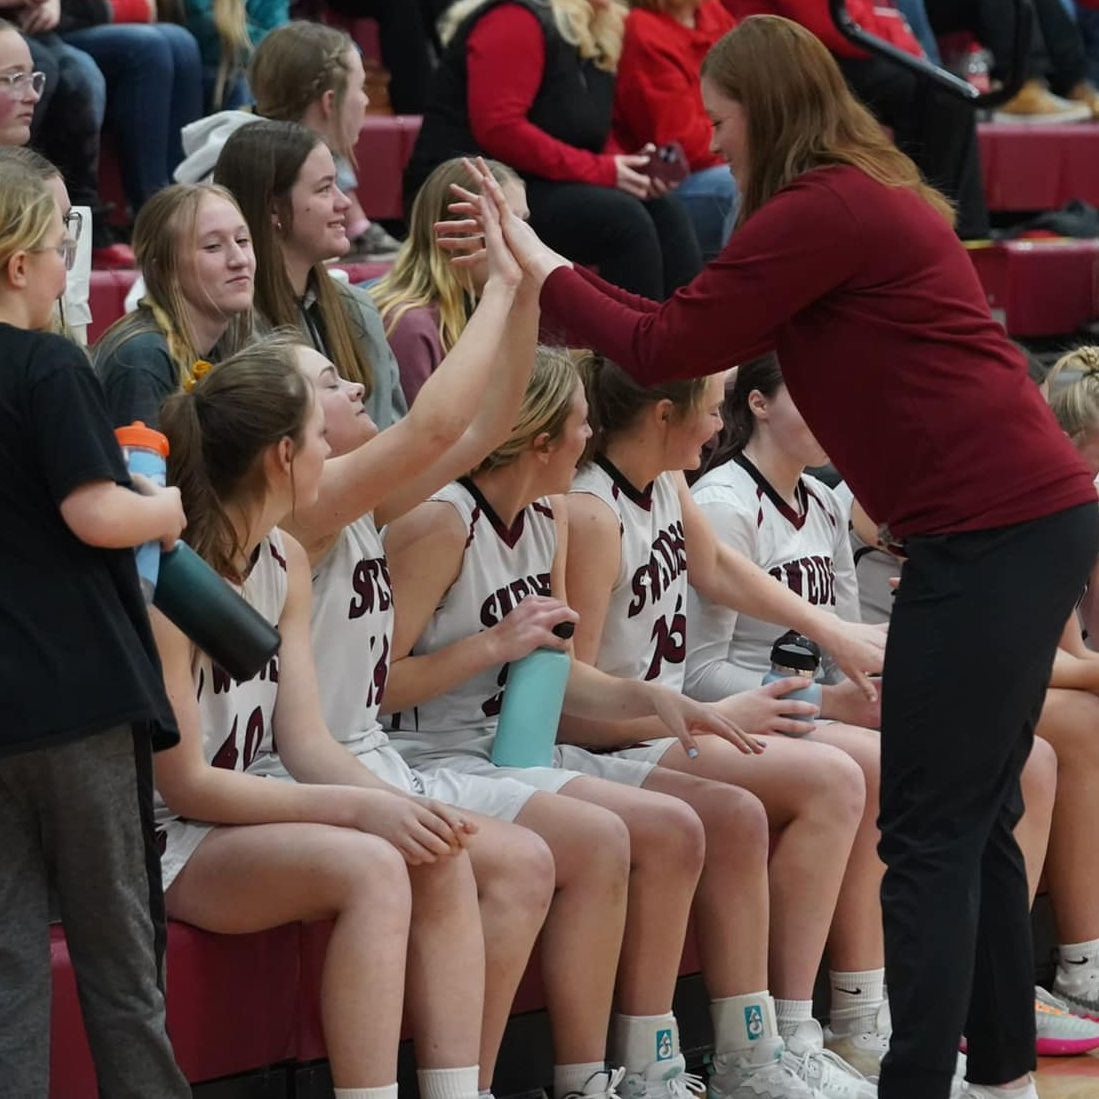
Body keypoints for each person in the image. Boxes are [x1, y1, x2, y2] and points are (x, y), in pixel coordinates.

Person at [439, 18, 1099, 1099]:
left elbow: (662, 348)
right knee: (969, 819)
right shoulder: (856, 193)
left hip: (991, 530)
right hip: (1009, 521)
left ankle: (927, 1081)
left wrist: (537, 255)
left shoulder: (818, 209)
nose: (712, 130)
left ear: (769, 109)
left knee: (928, 830)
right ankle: (999, 1082)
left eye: (725, 111)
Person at [382, 347, 867, 1099]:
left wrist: (662, 703)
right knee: (629, 831)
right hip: (429, 753)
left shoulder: (549, 512)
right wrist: (495, 647)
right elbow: (375, 688)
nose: (591, 434)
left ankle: (658, 1068)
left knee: (705, 821)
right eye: (580, 424)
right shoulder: (451, 523)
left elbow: (556, 668)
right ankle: (582, 1077)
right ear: (544, 440)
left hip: (509, 740)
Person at [687, 354, 1089, 1065]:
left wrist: (873, 678)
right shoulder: (721, 503)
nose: (833, 409)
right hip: (749, 713)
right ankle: (856, 1015)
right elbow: (701, 673)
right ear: (757, 403)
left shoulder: (821, 498)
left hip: (819, 707)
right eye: (811, 393)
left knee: (1024, 759)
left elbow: (848, 639)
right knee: (887, 766)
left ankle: (981, 986)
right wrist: (826, 700)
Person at [268, 176, 560, 1092]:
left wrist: (520, 298)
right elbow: (437, 419)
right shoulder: (307, 504)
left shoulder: (363, 497)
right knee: (474, 860)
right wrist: (508, 284)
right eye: (330, 382)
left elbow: (481, 426)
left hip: (360, 756)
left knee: (517, 864)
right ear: (291, 430)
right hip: (302, 765)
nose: (355, 381)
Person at [153, 334, 485, 1099]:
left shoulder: (284, 558)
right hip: (165, 835)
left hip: (240, 816)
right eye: (317, 439)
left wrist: (401, 808)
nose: (327, 452)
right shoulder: (171, 578)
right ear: (282, 456)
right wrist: (361, 809)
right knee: (368, 864)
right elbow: (188, 784)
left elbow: (302, 739)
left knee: (435, 848)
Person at [561, 352, 879, 1099]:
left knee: (757, 806)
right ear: (663, 415)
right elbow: (567, 704)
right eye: (709, 407)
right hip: (605, 732)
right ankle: (781, 1035)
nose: (717, 424)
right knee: (833, 776)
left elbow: (717, 570)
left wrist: (832, 633)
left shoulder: (666, 482)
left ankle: (761, 1048)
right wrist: (712, 713)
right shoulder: (589, 511)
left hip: (663, 720)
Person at [0, 159, 190, 1099]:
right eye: (59, 246)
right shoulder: (49, 363)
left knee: (7, 971)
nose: (68, 263)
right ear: (18, 260)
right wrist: (167, 509)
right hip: (77, 698)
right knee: (121, 962)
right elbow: (95, 513)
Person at [405, 0, 703, 301]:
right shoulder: (515, 17)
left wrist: (627, 167)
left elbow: (590, 128)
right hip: (468, 186)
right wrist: (603, 171)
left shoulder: (600, 26)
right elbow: (501, 129)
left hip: (535, 182)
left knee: (667, 210)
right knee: (623, 219)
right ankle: (630, 343)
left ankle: (688, 340)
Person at [214, 119, 407, 431]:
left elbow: (395, 437)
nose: (344, 202)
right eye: (324, 189)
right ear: (273, 209)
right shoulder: (226, 326)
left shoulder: (358, 308)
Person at [94, 182, 254, 428]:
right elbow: (142, 467)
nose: (239, 260)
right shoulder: (142, 359)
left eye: (242, 240)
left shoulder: (229, 344)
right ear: (163, 269)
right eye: (213, 246)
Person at [371, 156, 528, 405]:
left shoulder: (501, 306)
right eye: (501, 222)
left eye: (524, 223)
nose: (522, 240)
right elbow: (423, 441)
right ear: (454, 232)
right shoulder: (409, 326)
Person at [613, 0, 738, 258]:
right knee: (744, 186)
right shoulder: (644, 29)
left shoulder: (710, 11)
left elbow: (753, 91)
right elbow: (684, 145)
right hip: (669, 181)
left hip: (725, 154)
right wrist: (753, 142)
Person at [58, 0, 204, 212]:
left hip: (84, 18)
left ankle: (187, 197)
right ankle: (154, 211)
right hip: (41, 28)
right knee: (149, 48)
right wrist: (130, 8)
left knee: (182, 42)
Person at [0, 144, 92, 342]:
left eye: (67, 219)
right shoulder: (53, 359)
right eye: (54, 221)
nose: (67, 237)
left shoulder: (62, 336)